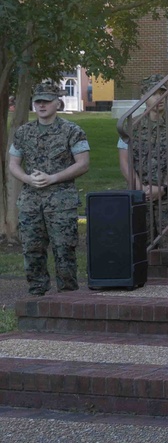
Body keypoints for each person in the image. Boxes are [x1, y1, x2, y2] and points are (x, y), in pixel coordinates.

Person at [8, 81, 90, 295]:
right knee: (32, 249)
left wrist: (53, 178)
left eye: (46, 101)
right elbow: (13, 164)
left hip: (61, 201)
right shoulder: (23, 132)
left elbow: (83, 164)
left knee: (64, 250)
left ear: (57, 103)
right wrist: (27, 179)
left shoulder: (72, 131)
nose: (42, 105)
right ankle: (37, 295)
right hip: (31, 201)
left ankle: (68, 296)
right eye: (38, 102)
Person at [118, 75, 168, 236]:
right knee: (140, 248)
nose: (159, 98)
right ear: (143, 97)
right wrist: (140, 190)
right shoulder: (130, 126)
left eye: (162, 93)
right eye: (153, 94)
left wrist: (163, 188)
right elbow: (125, 162)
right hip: (139, 198)